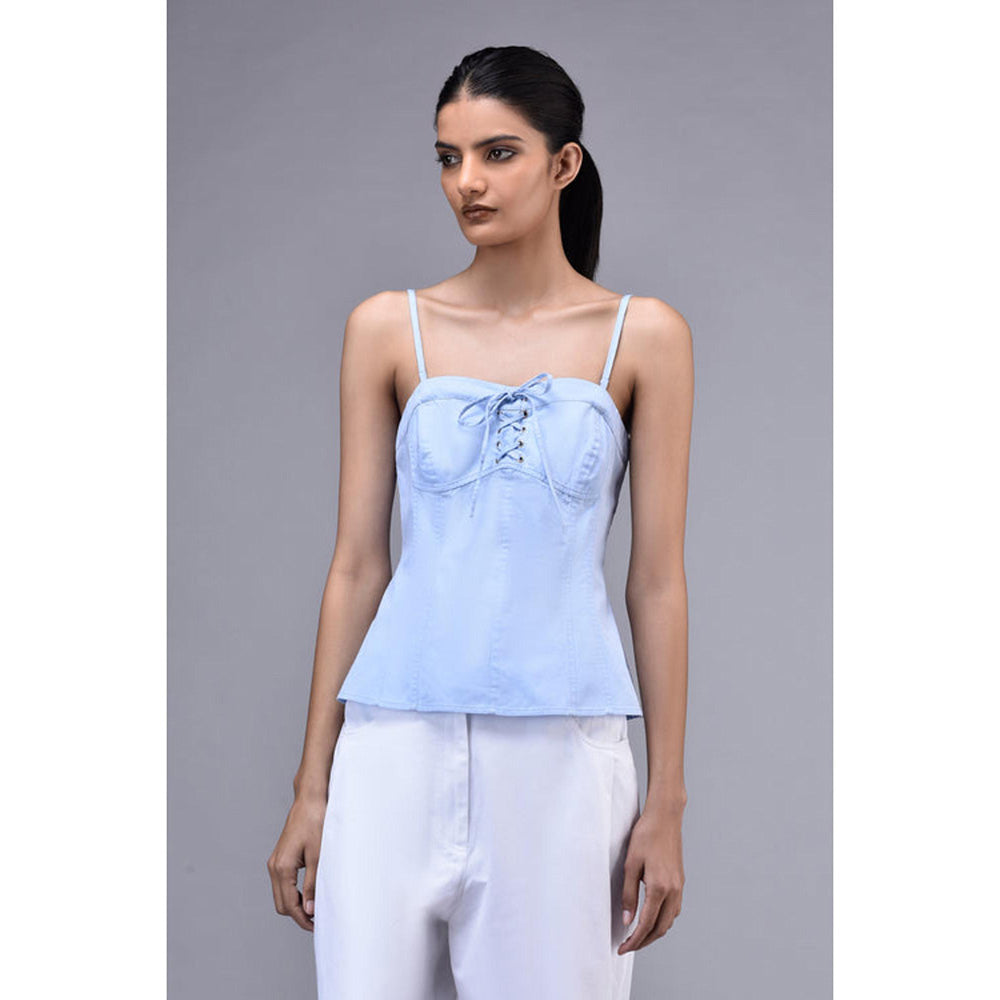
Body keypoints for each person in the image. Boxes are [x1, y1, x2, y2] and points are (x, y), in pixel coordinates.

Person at [267, 44, 693, 1000]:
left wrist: (665, 801)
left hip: (564, 759)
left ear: (563, 163)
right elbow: (357, 566)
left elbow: (657, 581)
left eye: (499, 153)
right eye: (448, 157)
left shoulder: (646, 337)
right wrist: (312, 786)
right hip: (391, 749)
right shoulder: (388, 327)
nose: (467, 182)